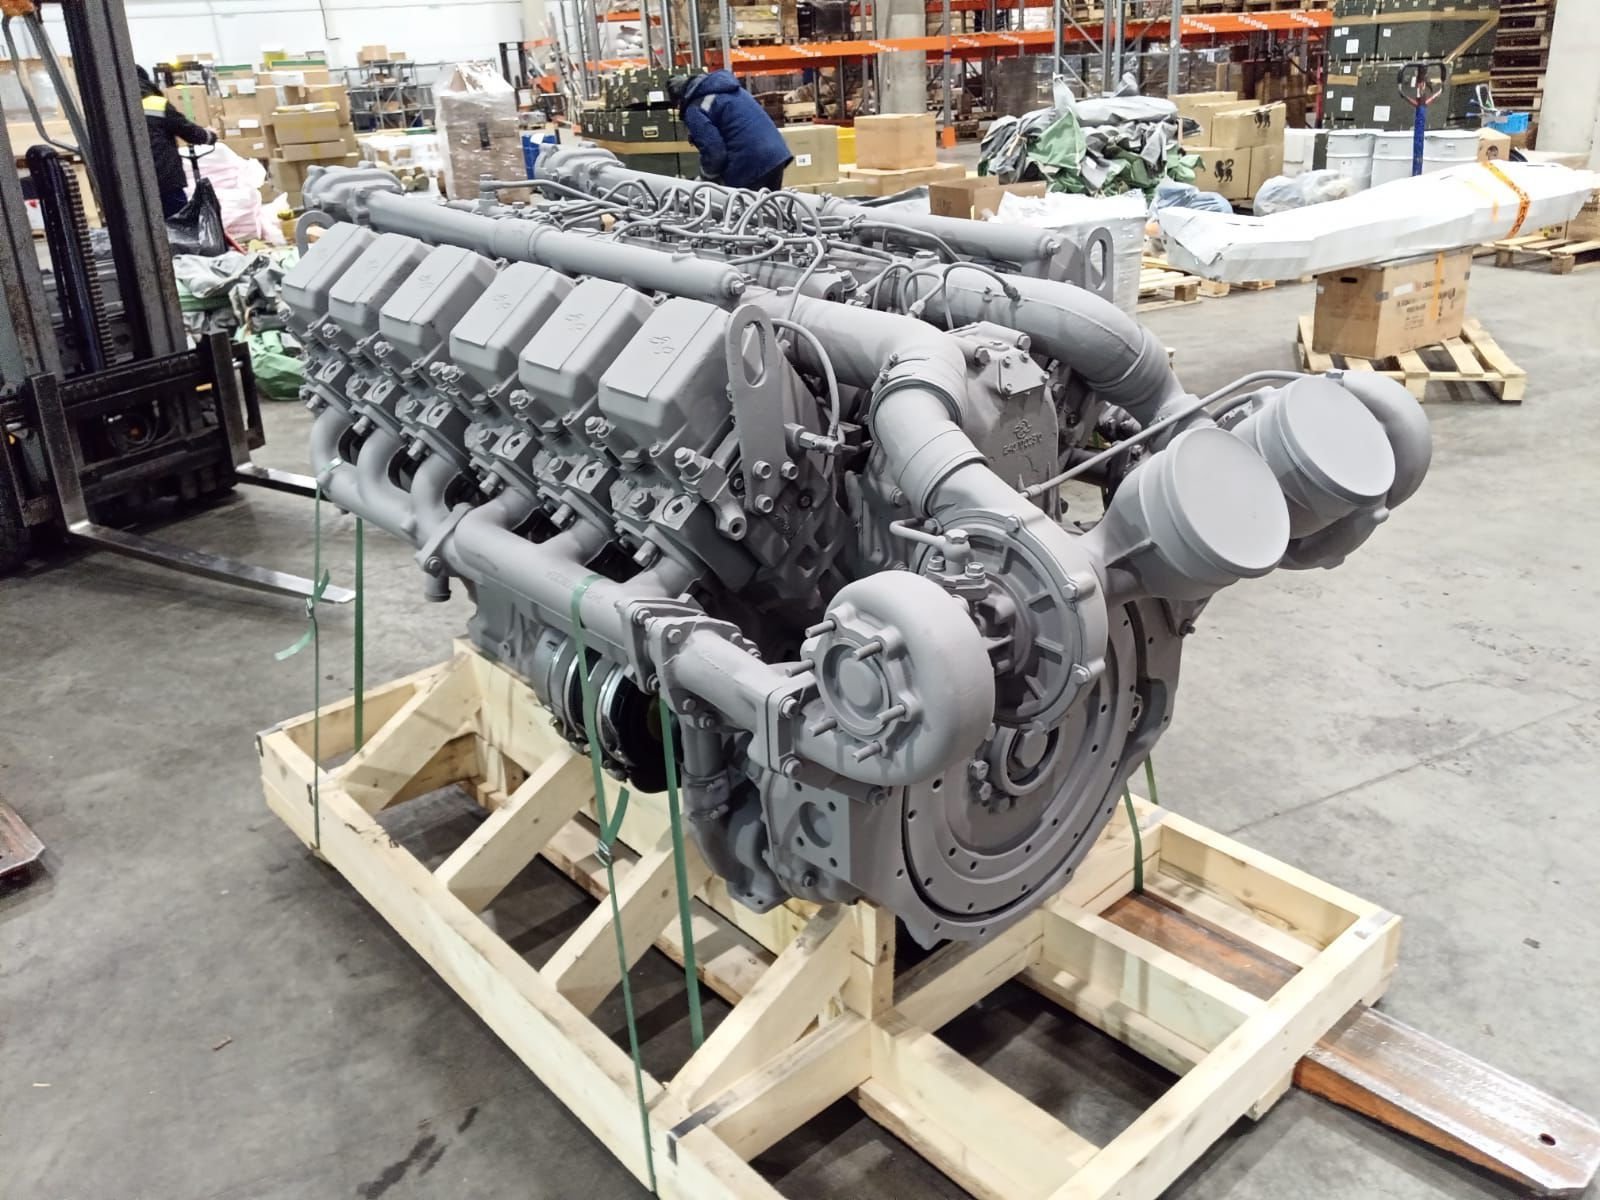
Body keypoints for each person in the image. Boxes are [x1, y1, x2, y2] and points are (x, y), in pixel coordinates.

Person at [669, 70, 792, 192]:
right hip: (776, 155)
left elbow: (715, 152)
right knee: (768, 203)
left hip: (750, 162)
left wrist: (705, 179)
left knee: (737, 203)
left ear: (680, 100)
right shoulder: (729, 89)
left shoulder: (694, 109)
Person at [137, 65, 215, 216]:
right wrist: (210, 136)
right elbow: (188, 131)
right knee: (178, 221)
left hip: (133, 183)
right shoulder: (156, 103)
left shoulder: (113, 108)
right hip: (165, 177)